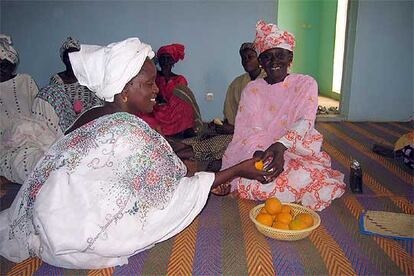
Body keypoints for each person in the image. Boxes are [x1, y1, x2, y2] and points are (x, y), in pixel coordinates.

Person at [0, 38, 271, 269]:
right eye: (149, 83)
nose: (156, 89)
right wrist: (235, 171)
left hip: (44, 209)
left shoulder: (94, 113)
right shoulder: (128, 129)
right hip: (72, 224)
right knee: (160, 200)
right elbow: (166, 188)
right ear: (126, 88)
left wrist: (183, 162)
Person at [221, 20, 346, 211]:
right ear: (261, 62)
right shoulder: (252, 89)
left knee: (308, 178)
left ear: (290, 58)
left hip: (295, 149)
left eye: (280, 55)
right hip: (259, 151)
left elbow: (305, 121)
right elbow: (247, 129)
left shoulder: (306, 83)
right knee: (257, 178)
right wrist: (260, 154)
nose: (274, 62)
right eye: (267, 57)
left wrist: (280, 147)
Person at [0, 34, 41, 184]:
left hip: (35, 136)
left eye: (4, 64)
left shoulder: (25, 80)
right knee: (32, 165)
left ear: (11, 64)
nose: (1, 69)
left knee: (54, 157)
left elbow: (39, 111)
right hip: (7, 146)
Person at [138, 43, 195, 138]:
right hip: (156, 107)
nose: (165, 61)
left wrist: (167, 101)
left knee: (185, 106)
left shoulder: (180, 79)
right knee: (142, 110)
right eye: (163, 58)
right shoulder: (154, 77)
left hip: (174, 109)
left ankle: (181, 130)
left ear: (173, 61)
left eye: (168, 58)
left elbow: (181, 97)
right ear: (159, 60)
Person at [219, 42, 266, 134]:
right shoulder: (236, 83)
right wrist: (226, 126)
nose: (246, 60)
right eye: (243, 58)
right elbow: (230, 111)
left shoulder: (269, 80)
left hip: (262, 134)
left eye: (250, 57)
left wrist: (236, 130)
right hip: (238, 132)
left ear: (259, 59)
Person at [48, 37, 103, 115]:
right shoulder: (57, 80)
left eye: (75, 56)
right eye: (68, 57)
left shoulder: (87, 78)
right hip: (67, 119)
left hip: (89, 118)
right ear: (64, 59)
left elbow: (97, 102)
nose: (71, 60)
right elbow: (56, 105)